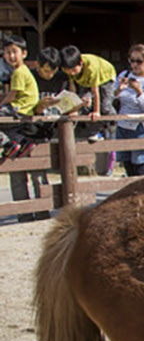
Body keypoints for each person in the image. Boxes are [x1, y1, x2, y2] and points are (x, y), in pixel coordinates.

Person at [1, 35, 49, 222]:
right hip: (21, 124)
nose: (11, 56)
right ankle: (28, 211)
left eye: (14, 52)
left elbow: (12, 96)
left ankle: (37, 210)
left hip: (26, 123)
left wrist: (2, 104)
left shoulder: (20, 72)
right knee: (18, 173)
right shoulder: (20, 72)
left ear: (24, 53)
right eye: (8, 52)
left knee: (35, 171)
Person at [113, 44, 144, 177]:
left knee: (139, 166)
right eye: (132, 60)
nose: (134, 65)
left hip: (139, 128)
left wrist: (139, 91)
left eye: (139, 61)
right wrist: (119, 89)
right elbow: (112, 98)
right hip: (123, 125)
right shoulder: (124, 75)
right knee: (127, 165)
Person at [60, 44, 116, 142]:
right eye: (68, 71)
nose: (71, 73)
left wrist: (96, 112)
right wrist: (73, 107)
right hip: (84, 80)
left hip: (105, 78)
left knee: (105, 105)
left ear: (81, 63)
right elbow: (72, 88)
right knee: (83, 101)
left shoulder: (91, 68)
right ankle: (91, 131)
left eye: (73, 70)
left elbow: (95, 92)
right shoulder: (69, 70)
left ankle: (113, 122)